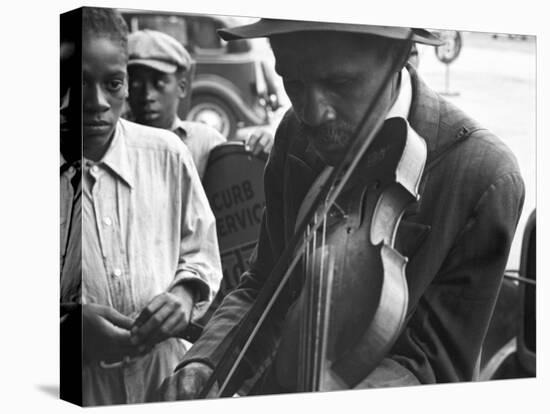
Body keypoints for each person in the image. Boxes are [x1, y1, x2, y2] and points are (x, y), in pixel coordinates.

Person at [159, 19, 525, 398]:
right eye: (293, 83)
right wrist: (202, 363)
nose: (312, 113)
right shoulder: (293, 133)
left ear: (400, 57)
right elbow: (264, 284)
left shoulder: (483, 175)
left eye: (340, 85)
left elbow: (434, 368)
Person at [61, 7, 222, 406]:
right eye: (77, 83)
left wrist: (185, 295)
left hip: (165, 382)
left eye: (113, 84)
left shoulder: (166, 153)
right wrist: (65, 326)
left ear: (126, 82)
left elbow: (199, 252)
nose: (96, 102)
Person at [126, 29, 272, 179]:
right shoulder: (118, 145)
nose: (147, 95)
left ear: (182, 87)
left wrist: (263, 152)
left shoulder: (206, 143)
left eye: (159, 83)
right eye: (136, 83)